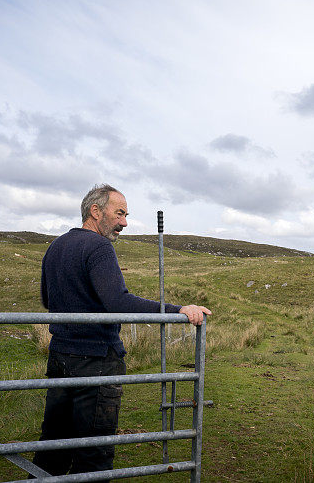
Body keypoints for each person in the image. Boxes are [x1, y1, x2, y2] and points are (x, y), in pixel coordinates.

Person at [33, 184, 212, 476]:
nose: (124, 222)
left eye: (126, 215)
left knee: (54, 445)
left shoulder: (57, 246)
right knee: (94, 453)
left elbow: (46, 300)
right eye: (119, 213)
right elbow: (117, 301)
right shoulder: (99, 246)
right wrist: (176, 310)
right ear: (95, 211)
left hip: (60, 357)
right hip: (97, 362)